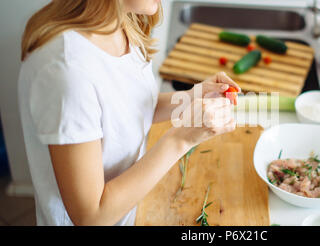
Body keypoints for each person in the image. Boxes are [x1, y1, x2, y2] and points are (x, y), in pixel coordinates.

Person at [18, 0, 239, 226]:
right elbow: (92, 216)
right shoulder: (66, 72)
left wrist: (191, 97)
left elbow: (127, 110)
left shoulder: (122, 22)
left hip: (130, 213)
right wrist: (180, 140)